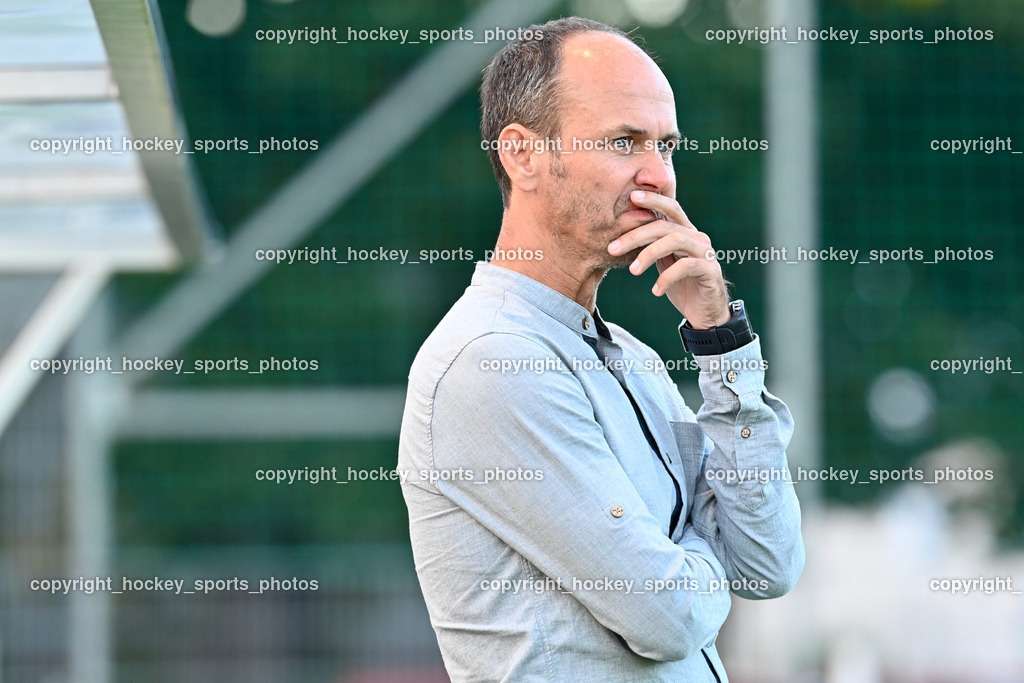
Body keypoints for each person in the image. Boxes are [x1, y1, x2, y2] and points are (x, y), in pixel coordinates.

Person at [398, 16, 804, 682]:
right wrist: (698, 556)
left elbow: (766, 565)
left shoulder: (636, 360)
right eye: (624, 141)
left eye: (666, 147)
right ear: (521, 154)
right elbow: (666, 616)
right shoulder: (491, 361)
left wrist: (720, 341)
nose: (659, 178)